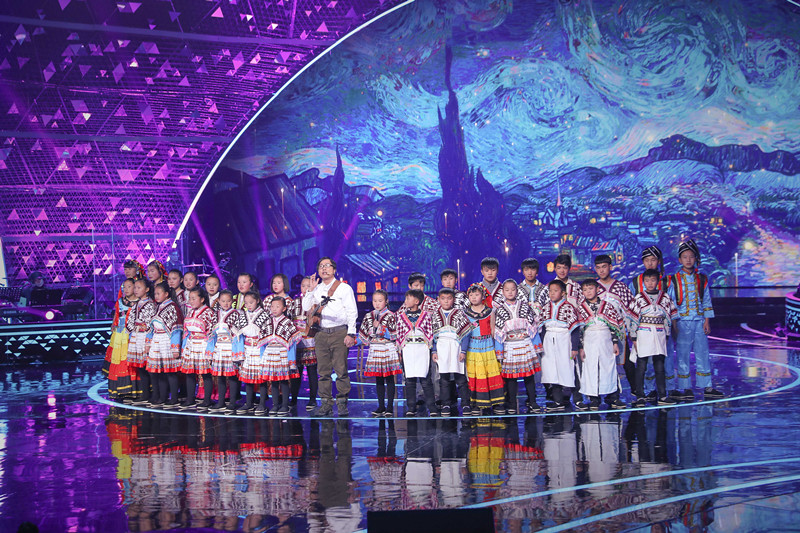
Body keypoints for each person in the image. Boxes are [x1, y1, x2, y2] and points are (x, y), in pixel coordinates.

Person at [302, 257, 358, 417]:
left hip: (339, 332)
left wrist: (351, 333)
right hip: (320, 333)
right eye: (321, 266)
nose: (324, 268)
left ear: (334, 269)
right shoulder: (317, 288)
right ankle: (326, 404)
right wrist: (310, 290)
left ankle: (342, 404)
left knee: (341, 370)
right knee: (323, 371)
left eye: (327, 266)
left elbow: (352, 312)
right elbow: (305, 307)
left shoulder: (344, 288)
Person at [669, 239, 723, 400]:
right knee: (682, 355)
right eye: (685, 257)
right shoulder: (673, 279)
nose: (688, 260)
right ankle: (685, 387)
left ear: (696, 259)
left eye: (691, 256)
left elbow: (706, 300)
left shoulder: (702, 279)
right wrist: (674, 324)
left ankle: (707, 386)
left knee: (703, 353)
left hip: (699, 321)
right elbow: (671, 303)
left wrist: (707, 320)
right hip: (682, 321)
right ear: (680, 260)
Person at [629, 246, 679, 400]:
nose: (650, 263)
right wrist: (633, 336)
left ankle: (667, 391)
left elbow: (670, 310)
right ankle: (646, 391)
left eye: (653, 260)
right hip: (643, 331)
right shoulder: (636, 283)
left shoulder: (667, 284)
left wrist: (671, 331)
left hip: (661, 331)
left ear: (659, 261)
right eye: (647, 260)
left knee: (662, 362)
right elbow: (632, 313)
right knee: (643, 363)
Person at [494, 279, 543, 414]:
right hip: (509, 345)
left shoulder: (525, 306)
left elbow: (533, 326)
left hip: (525, 343)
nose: (510, 292)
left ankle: (532, 401)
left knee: (529, 375)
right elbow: (498, 333)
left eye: (513, 289)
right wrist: (499, 351)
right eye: (507, 290)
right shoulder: (500, 310)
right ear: (503, 292)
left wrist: (537, 346)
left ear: (517, 291)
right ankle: (511, 403)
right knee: (511, 377)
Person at [575, 279, 625, 411]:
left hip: (606, 339)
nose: (588, 292)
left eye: (590, 288)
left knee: (609, 367)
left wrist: (615, 343)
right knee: (590, 368)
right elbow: (579, 330)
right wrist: (581, 347)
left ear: (597, 289)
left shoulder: (607, 306)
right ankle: (594, 399)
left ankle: (613, 396)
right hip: (589, 340)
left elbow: (614, 326)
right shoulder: (580, 308)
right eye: (585, 290)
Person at [593, 254, 636, 404]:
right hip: (600, 332)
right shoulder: (593, 287)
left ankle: (636, 391)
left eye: (604, 267)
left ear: (610, 267)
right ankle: (607, 394)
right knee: (603, 364)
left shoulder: (621, 287)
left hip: (619, 331)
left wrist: (632, 332)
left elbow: (630, 310)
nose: (601, 270)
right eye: (598, 268)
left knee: (626, 362)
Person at [359, 290, 402, 417]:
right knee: (378, 379)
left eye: (380, 301)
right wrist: (353, 340)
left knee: (389, 378)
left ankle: (390, 407)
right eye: (375, 301)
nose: (377, 303)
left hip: (387, 348)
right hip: (375, 348)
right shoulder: (369, 316)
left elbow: (395, 335)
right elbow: (363, 335)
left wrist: (381, 328)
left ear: (386, 301)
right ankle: (381, 406)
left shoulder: (391, 316)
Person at [464, 283, 505, 415]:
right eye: (471, 295)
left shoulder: (489, 312)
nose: (474, 297)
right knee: (475, 375)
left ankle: (496, 402)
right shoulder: (465, 313)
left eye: (477, 294)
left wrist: (496, 349)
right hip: (473, 347)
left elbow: (493, 331)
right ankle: (476, 403)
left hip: (487, 346)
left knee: (490, 373)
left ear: (482, 296)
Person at [540, 280, 581, 412]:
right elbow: (542, 328)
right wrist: (541, 345)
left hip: (564, 339)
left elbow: (575, 329)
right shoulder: (546, 307)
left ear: (563, 293)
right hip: (549, 340)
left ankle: (578, 399)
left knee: (568, 368)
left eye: (555, 291)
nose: (552, 293)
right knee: (552, 370)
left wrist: (574, 347)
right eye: (550, 291)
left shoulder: (569, 307)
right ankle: (558, 401)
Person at [431, 288, 472, 417]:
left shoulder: (459, 314)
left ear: (453, 299)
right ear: (439, 299)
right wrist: (434, 350)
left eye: (449, 298)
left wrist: (463, 350)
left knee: (460, 378)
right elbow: (433, 336)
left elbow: (466, 333)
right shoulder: (435, 315)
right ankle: (446, 404)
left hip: (456, 347)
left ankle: (465, 404)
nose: (446, 301)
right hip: (441, 347)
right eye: (443, 298)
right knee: (444, 378)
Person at [396, 289, 436, 417]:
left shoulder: (426, 316)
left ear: (417, 301)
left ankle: (432, 407)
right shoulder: (401, 316)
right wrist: (399, 352)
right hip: (408, 349)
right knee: (409, 380)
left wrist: (430, 348)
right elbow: (399, 335)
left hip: (422, 349)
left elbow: (430, 333)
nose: (406, 301)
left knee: (425, 379)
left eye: (408, 298)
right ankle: (411, 407)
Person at [260, 297, 302, 416]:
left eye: (277, 306)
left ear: (284, 308)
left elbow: (293, 342)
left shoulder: (288, 323)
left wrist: (291, 360)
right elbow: (263, 341)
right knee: (273, 381)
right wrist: (262, 358)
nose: (274, 309)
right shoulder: (268, 322)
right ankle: (275, 405)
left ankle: (285, 405)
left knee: (283, 381)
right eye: (272, 306)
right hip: (270, 353)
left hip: (283, 353)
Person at [145, 281, 184, 408]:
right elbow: (151, 327)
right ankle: (162, 397)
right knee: (159, 371)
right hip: (157, 340)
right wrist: (148, 342)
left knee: (170, 371)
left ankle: (174, 398)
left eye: (158, 293)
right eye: (155, 294)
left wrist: (175, 348)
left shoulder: (172, 307)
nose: (156, 296)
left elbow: (176, 329)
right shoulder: (158, 307)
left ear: (166, 294)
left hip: (167, 341)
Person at [208, 289, 246, 412]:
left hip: (231, 347)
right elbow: (212, 334)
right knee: (220, 376)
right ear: (219, 301)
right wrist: (210, 351)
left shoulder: (236, 314)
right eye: (223, 301)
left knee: (232, 375)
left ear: (232, 301)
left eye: (228, 301)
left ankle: (233, 402)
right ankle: (221, 402)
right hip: (219, 347)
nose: (225, 303)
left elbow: (239, 335)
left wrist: (238, 352)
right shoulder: (216, 314)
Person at [179, 287, 216, 410]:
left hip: (203, 344)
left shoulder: (208, 312)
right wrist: (184, 347)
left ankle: (207, 400)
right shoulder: (190, 312)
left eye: (194, 298)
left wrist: (210, 350)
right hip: (191, 344)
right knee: (190, 373)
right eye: (190, 298)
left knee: (205, 373)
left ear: (202, 299)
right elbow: (186, 331)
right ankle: (190, 399)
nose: (191, 301)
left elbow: (211, 333)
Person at [104, 278, 138, 401]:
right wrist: (113, 324)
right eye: (124, 287)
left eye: (129, 286)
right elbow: (116, 315)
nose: (126, 290)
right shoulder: (120, 301)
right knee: (119, 360)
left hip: (132, 334)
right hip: (120, 334)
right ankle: (121, 388)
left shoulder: (139, 302)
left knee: (130, 360)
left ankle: (133, 389)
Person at [290, 276, 319, 411]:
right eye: (303, 286)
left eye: (309, 286)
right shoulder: (295, 302)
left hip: (311, 340)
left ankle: (312, 399)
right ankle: (293, 398)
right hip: (297, 341)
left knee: (312, 371)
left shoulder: (316, 302)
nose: (306, 288)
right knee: (296, 371)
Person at [238, 291, 271, 413]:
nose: (248, 305)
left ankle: (262, 403)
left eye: (251, 302)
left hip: (259, 348)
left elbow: (267, 332)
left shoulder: (264, 315)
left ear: (257, 301)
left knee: (261, 378)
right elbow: (238, 332)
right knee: (248, 377)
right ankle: (249, 403)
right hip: (247, 349)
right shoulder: (243, 315)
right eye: (246, 303)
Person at [127, 278, 157, 405]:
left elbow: (151, 323)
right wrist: (132, 332)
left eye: (139, 287)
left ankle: (155, 394)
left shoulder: (150, 304)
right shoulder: (136, 304)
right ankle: (145, 394)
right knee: (141, 368)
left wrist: (147, 337)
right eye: (135, 287)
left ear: (147, 289)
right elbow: (130, 320)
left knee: (149, 367)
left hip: (145, 337)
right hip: (137, 336)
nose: (136, 290)